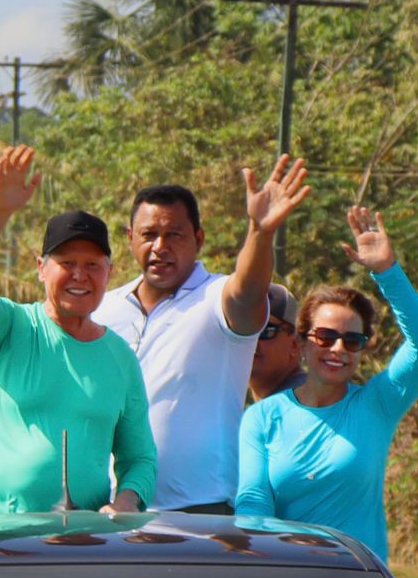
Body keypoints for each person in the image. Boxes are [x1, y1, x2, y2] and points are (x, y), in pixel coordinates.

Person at [0, 145, 155, 513]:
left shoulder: (120, 357)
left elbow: (140, 459)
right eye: (66, 262)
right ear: (41, 267)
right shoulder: (9, 329)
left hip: (82, 545)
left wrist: (126, 502)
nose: (80, 276)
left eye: (92, 265)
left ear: (110, 272)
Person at [93, 157, 310, 512]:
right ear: (130, 239)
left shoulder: (217, 297)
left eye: (174, 235)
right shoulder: (104, 309)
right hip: (113, 510)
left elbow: (248, 292)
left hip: (200, 511)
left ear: (198, 239)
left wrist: (261, 231)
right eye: (148, 235)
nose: (160, 246)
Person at [235, 208, 418, 562]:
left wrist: (386, 272)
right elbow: (253, 503)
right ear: (301, 344)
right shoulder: (263, 417)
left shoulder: (377, 405)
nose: (337, 349)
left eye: (352, 341)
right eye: (326, 337)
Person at [249, 282, 305, 402]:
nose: (250, 339)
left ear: (295, 345)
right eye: (242, 328)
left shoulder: (304, 402)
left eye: (265, 330)